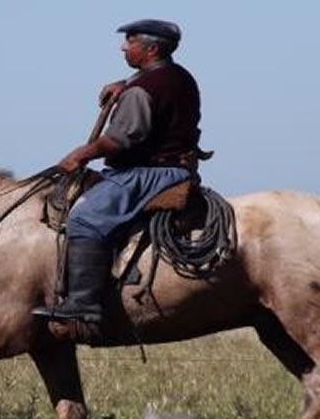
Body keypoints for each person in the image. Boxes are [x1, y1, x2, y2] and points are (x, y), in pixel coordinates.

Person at [32, 19, 203, 324]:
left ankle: (83, 304)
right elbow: (157, 91)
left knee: (84, 218)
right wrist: (127, 83)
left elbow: (120, 139)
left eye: (130, 41)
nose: (123, 46)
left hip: (147, 174)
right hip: (173, 168)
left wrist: (81, 154)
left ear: (150, 49)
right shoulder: (177, 76)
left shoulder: (143, 89)